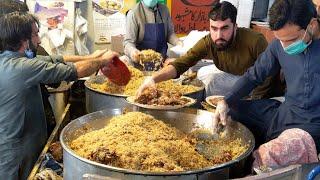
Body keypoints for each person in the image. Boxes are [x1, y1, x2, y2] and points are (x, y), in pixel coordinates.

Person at [0, 12, 119, 179]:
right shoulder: (22, 68)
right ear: (23, 40)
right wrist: (103, 61)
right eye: (35, 34)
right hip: (17, 155)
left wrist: (92, 56)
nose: (39, 40)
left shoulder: (10, 61)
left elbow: (58, 59)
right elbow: (74, 71)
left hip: (23, 146)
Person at [213, 0, 320, 153]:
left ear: (312, 25)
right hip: (286, 113)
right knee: (231, 110)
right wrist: (225, 100)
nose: (285, 46)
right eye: (280, 40)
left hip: (314, 125)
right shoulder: (278, 45)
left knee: (277, 152)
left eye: (291, 40)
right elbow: (254, 75)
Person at [137, 1, 279, 99]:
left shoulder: (255, 40)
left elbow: (270, 74)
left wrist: (253, 102)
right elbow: (181, 63)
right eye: (214, 28)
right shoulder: (209, 42)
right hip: (239, 79)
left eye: (224, 28)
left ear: (235, 26)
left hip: (261, 86)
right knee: (211, 81)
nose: (218, 35)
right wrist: (153, 79)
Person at [123, 0, 182, 66]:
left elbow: (169, 34)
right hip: (140, 64)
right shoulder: (133, 13)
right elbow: (128, 42)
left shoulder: (164, 10)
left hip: (161, 62)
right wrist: (133, 52)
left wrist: (178, 42)